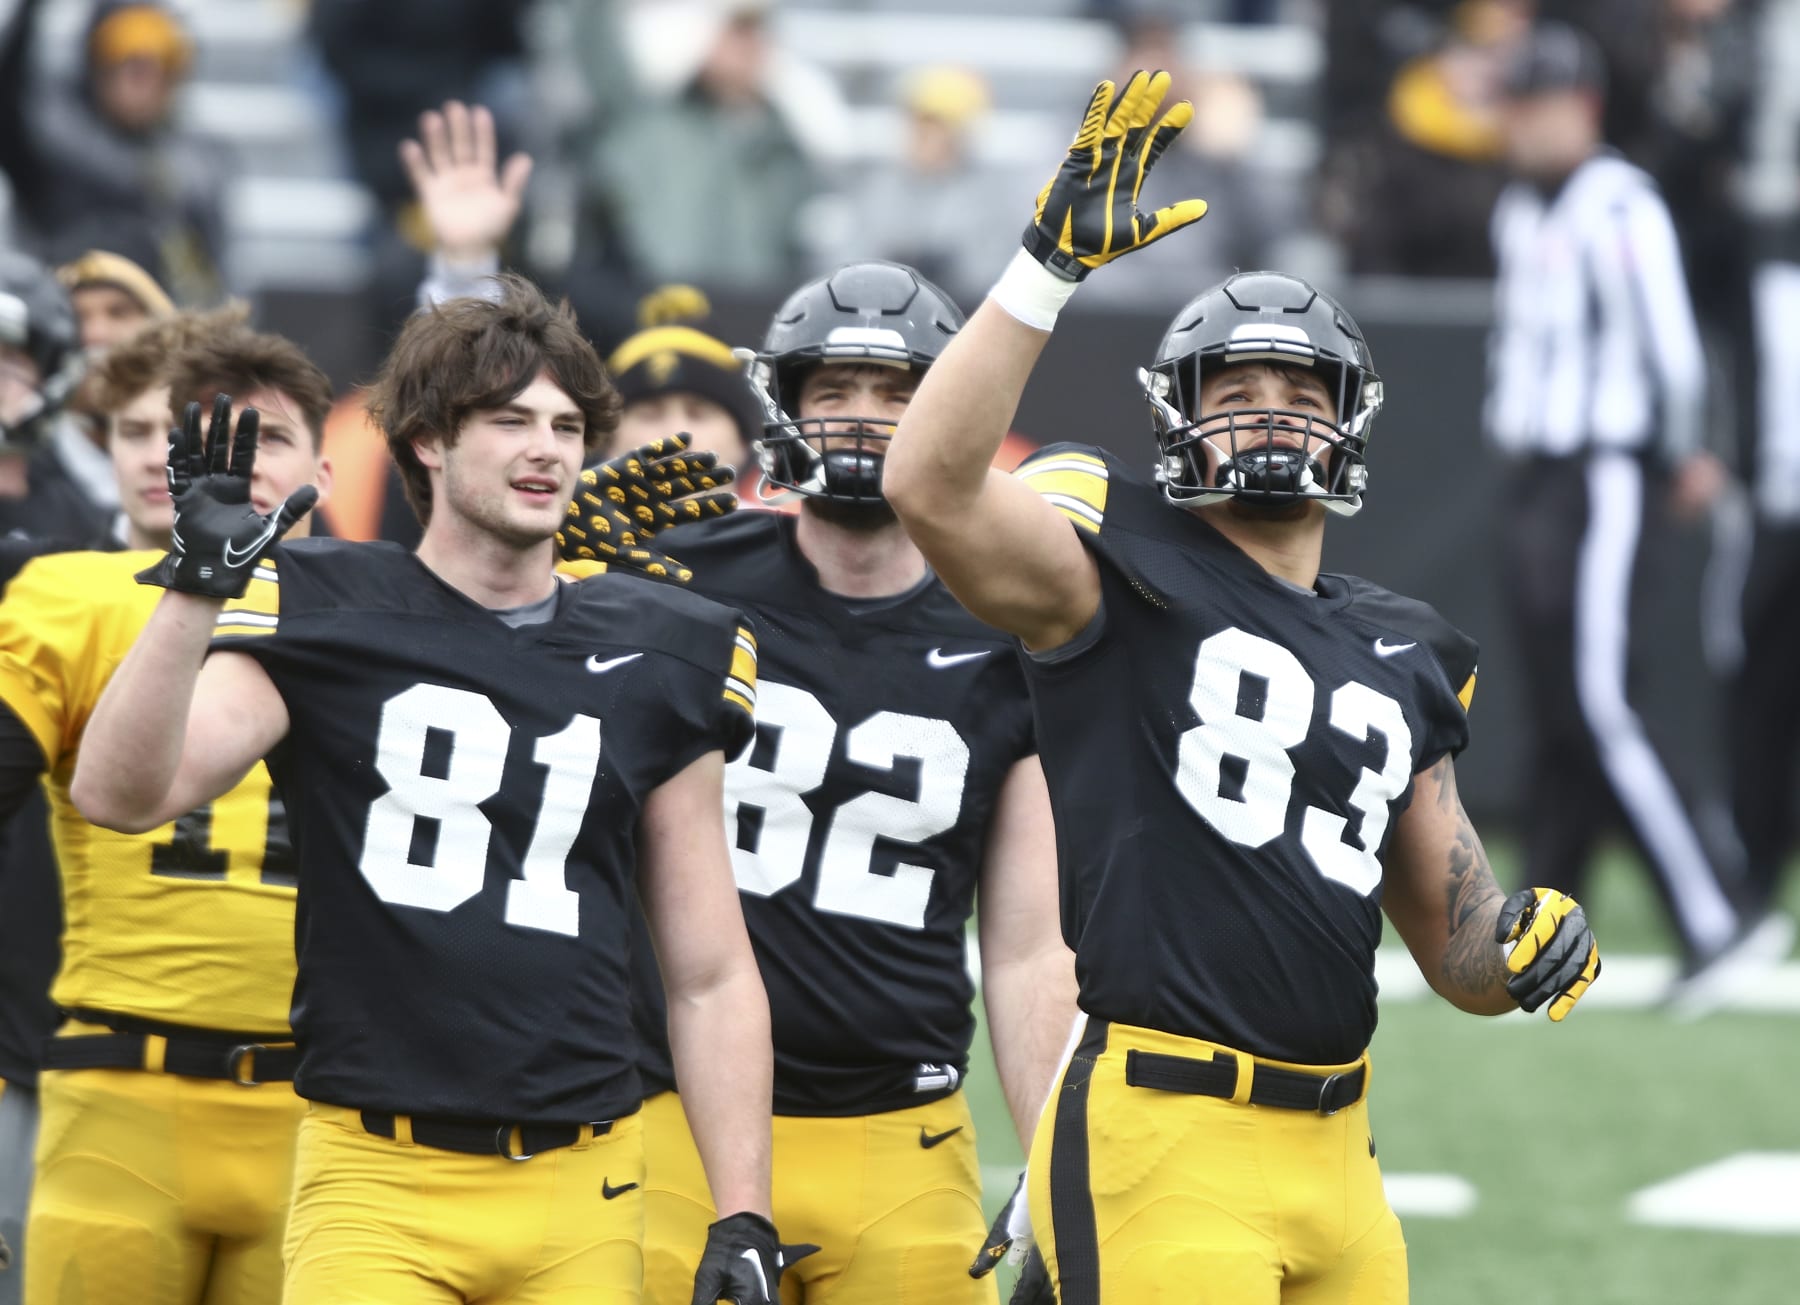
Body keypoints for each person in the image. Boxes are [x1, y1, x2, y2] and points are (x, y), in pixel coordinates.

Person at [879, 70, 1602, 1303]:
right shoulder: (1113, 557)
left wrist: (1529, 939)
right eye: (1237, 390)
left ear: (1351, 421)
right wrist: (1043, 272)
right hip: (1165, 1128)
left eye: (1299, 391)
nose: (1270, 416)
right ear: (1179, 417)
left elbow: (1454, 944)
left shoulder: (1404, 647)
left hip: (1338, 1152)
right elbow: (930, 490)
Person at [70, 275, 794, 1305]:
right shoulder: (324, 608)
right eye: (508, 420)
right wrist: (195, 587)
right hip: (376, 1173)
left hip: (582, 1179)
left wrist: (744, 1209)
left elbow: (710, 970)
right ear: (427, 442)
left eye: (565, 424)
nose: (546, 447)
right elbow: (120, 793)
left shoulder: (665, 647)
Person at [562, 260, 1076, 1304]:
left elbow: (1025, 947)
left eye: (898, 396)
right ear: (781, 408)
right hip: (674, 1117)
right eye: (831, 391)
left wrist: (1058, 1164)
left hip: (899, 1128)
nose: (861, 419)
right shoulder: (677, 578)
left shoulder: (1005, 629)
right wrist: (550, 580)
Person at [1, 316, 333, 1305]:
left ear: (328, 456)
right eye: (207, 437)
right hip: (116, 1079)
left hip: (324, 1107)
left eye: (269, 437)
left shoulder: (390, 609)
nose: (239, 463)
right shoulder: (72, 593)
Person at [1486, 21, 1791, 1012]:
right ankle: (1542, 936)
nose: (1521, 128)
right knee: (1555, 711)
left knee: (1602, 701)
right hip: (1537, 470)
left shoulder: (1619, 206)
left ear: (1580, 108)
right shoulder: (1521, 212)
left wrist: (1687, 446)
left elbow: (1671, 343)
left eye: (1536, 107)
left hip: (1606, 469)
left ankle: (1719, 916)